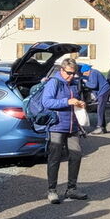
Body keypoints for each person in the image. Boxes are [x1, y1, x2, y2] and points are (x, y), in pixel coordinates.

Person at [42, 58, 89, 204]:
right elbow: (46, 102)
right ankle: (52, 190)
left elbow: (75, 101)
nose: (71, 76)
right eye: (69, 73)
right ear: (61, 70)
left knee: (76, 155)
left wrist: (80, 103)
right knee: (54, 158)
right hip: (57, 126)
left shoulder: (74, 83)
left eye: (73, 73)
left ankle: (71, 189)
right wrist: (67, 101)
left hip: (72, 126)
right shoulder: (53, 82)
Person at [80, 64, 110, 134]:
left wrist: (85, 83)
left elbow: (94, 85)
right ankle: (103, 127)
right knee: (101, 109)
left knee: (100, 109)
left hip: (104, 91)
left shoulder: (93, 73)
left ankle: (99, 127)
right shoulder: (94, 72)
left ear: (87, 71)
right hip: (104, 91)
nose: (84, 74)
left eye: (84, 73)